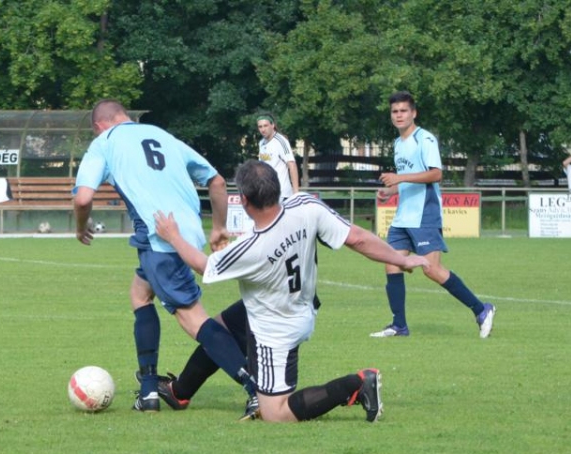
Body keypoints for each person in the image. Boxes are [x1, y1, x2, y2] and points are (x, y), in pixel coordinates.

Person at [154, 159, 430, 423]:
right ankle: (180, 392)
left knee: (276, 413)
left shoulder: (252, 247)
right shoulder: (306, 205)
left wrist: (173, 236)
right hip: (298, 302)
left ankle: (357, 383)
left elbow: (204, 265)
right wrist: (402, 259)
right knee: (220, 328)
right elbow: (357, 238)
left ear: (245, 201)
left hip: (276, 328)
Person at [73, 99, 258, 418]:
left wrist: (81, 227)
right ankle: (148, 391)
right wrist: (218, 228)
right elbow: (215, 181)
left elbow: (83, 197)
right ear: (125, 117)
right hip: (183, 233)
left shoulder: (103, 142)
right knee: (139, 295)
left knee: (193, 317)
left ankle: (254, 388)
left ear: (99, 125)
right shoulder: (161, 135)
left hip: (161, 236)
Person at [371, 90, 496, 339]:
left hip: (424, 214)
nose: (399, 115)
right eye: (395, 111)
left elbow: (435, 174)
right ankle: (399, 326)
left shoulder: (424, 139)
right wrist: (391, 191)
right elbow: (410, 179)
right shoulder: (398, 144)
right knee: (392, 264)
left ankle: (481, 309)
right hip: (403, 215)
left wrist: (399, 178)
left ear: (413, 113)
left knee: (431, 269)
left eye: (404, 111)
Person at [257, 113, 299, 200]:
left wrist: (296, 193)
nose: (263, 129)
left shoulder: (280, 141)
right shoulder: (261, 143)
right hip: (267, 193)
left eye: (265, 126)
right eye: (260, 127)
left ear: (272, 125)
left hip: (282, 194)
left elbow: (292, 165)